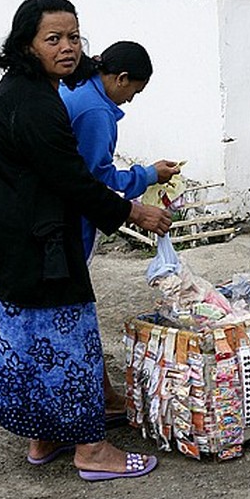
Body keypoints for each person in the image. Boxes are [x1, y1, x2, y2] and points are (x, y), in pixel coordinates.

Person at [0, 0, 172, 480]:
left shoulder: (32, 88)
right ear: (27, 45)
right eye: (53, 38)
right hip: (25, 242)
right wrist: (135, 210)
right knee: (69, 342)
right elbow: (73, 180)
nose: (66, 47)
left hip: (6, 237)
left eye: (73, 36)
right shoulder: (34, 105)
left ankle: (44, 436)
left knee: (31, 343)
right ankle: (91, 450)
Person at [58, 40, 181, 421]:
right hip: (66, 219)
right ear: (121, 78)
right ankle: (91, 405)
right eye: (133, 92)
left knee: (69, 308)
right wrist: (147, 176)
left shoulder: (73, 87)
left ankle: (104, 393)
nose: (130, 100)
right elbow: (95, 180)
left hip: (50, 213)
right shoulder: (96, 111)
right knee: (71, 308)